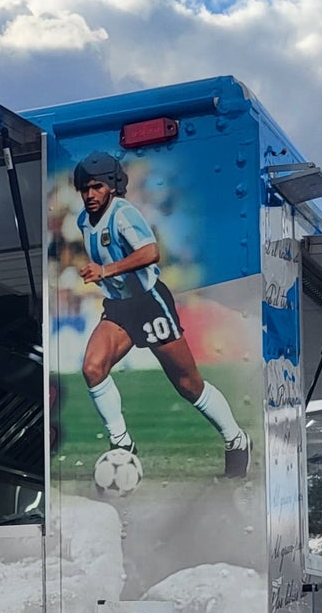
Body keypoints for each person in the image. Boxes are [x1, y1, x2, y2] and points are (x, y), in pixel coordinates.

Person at [73, 150, 251, 477]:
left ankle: (236, 439)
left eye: (96, 187)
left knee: (187, 383)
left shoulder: (123, 213)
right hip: (118, 308)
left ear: (112, 186)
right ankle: (122, 444)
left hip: (148, 303)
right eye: (84, 188)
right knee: (92, 368)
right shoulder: (83, 220)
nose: (89, 195)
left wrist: (105, 270)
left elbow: (151, 252)